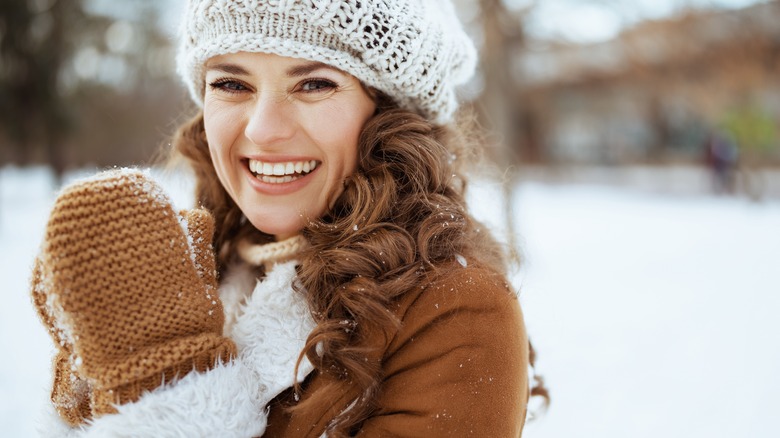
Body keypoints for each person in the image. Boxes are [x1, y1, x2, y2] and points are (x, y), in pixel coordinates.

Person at [31, 0, 547, 436]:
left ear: (391, 113)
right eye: (232, 84)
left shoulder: (456, 310)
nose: (263, 129)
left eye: (315, 84)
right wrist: (91, 372)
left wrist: (166, 381)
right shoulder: (207, 270)